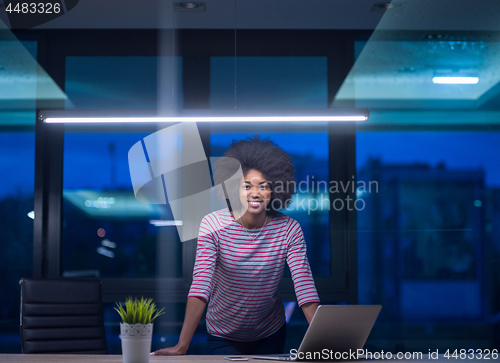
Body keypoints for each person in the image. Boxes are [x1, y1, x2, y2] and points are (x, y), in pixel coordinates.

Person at [152, 136, 320, 356]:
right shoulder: (212, 224)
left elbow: (305, 289)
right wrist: (182, 346)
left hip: (270, 332)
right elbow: (201, 286)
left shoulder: (289, 229)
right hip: (223, 333)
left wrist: (327, 343)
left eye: (263, 186)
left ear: (274, 190)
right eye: (247, 186)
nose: (255, 193)